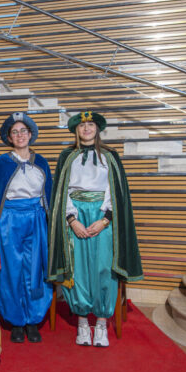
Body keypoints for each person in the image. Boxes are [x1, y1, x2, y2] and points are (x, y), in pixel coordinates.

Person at [47, 111, 143, 347]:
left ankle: (101, 322)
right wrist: (72, 220)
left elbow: (116, 191)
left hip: (101, 216)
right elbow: (62, 192)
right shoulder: (67, 156)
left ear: (97, 129)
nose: (87, 129)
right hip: (76, 215)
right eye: (82, 126)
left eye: (91, 125)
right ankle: (82, 321)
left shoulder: (109, 156)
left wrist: (105, 220)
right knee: (77, 269)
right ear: (76, 130)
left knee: (103, 267)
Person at [0, 112, 52, 343]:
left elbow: (49, 195)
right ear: (9, 137)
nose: (20, 135)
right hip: (10, 221)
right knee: (12, 270)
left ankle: (33, 319)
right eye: (14, 132)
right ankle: (16, 320)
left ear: (30, 134)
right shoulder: (1, 164)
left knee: (36, 269)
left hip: (36, 219)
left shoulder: (41, 162)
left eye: (23, 131)